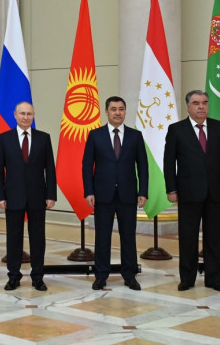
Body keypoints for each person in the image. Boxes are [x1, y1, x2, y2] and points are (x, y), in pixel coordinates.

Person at [164, 90, 220, 292]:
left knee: (213, 237)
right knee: (188, 237)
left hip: (214, 191)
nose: (201, 106)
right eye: (196, 103)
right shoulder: (176, 129)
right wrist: (171, 189)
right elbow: (169, 162)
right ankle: (187, 278)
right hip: (188, 192)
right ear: (188, 107)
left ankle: (213, 278)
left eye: (204, 102)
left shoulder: (219, 127)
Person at [82, 96, 147, 291]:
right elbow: (87, 165)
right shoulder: (95, 135)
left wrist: (143, 191)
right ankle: (101, 275)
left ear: (125, 111)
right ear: (106, 111)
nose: (117, 112)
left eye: (121, 109)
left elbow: (143, 166)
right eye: (113, 109)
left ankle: (130, 275)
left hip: (128, 194)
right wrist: (89, 191)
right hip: (103, 195)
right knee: (102, 237)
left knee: (128, 237)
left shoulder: (135, 136)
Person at [0, 102, 56, 291]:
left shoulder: (43, 138)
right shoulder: (4, 138)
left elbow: (50, 169)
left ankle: (38, 277)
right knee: (14, 238)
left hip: (38, 196)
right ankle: (14, 276)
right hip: (13, 196)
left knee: (38, 238)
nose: (26, 117)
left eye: (29, 114)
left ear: (33, 115)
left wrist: (51, 194)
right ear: (15, 115)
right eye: (22, 113)